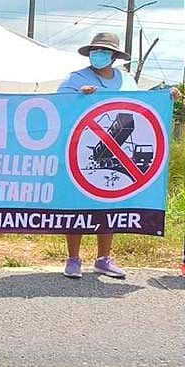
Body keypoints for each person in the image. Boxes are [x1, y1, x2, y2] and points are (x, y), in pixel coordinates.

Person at [57, 32, 182, 279]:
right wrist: (79, 95)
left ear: (113, 56)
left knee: (110, 204)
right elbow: (59, 103)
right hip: (84, 148)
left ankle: (103, 258)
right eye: (95, 50)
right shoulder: (77, 78)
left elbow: (139, 103)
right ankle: (73, 259)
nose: (98, 55)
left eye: (103, 51)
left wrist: (167, 96)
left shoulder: (125, 79)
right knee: (77, 205)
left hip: (118, 150)